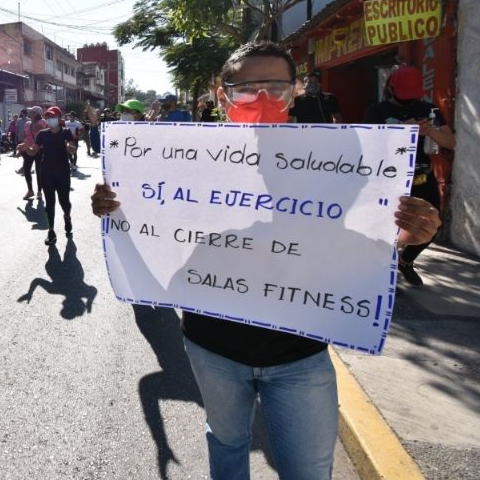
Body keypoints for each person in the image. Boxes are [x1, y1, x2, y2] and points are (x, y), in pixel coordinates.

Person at [91, 41, 443, 479]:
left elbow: (360, 236)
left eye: (275, 87)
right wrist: (116, 207)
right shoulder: (182, 159)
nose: (261, 100)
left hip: (300, 353)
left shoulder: (333, 157)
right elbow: (159, 234)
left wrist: (411, 232)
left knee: (309, 470)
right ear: (223, 94)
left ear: (295, 91)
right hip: (212, 345)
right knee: (226, 444)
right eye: (246, 89)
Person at [364, 65, 455, 286]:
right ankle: (380, 274)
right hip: (389, 181)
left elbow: (450, 142)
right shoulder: (377, 111)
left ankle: (406, 261)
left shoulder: (428, 109)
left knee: (432, 227)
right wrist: (401, 132)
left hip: (422, 179)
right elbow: (367, 146)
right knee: (386, 230)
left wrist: (430, 131)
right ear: (391, 89)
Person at [30, 106, 74, 245]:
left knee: (64, 201)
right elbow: (33, 151)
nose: (50, 119)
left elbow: (72, 150)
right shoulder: (42, 134)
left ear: (59, 118)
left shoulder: (66, 132)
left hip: (62, 172)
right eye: (48, 117)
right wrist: (26, 149)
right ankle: (51, 231)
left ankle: (67, 216)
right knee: (49, 203)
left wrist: (70, 148)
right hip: (46, 172)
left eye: (53, 117)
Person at [18, 106, 47, 199]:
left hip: (39, 150)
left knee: (39, 171)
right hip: (28, 149)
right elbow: (25, 136)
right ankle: (30, 191)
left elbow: (37, 129)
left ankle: (39, 191)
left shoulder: (42, 122)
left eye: (32, 112)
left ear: (37, 114)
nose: (29, 114)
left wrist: (34, 121)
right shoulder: (27, 123)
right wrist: (21, 146)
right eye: (30, 112)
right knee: (26, 170)